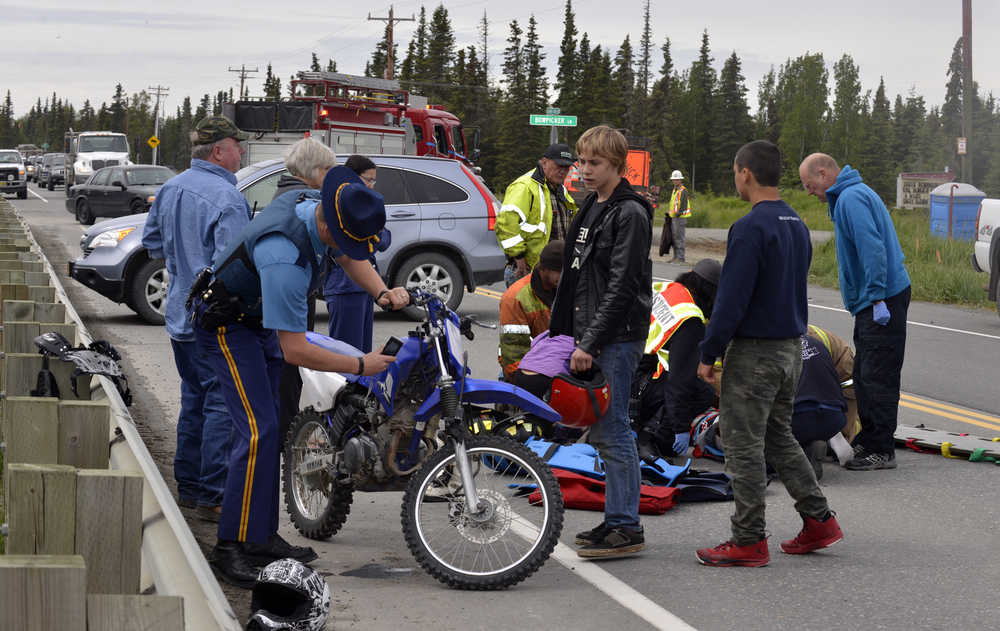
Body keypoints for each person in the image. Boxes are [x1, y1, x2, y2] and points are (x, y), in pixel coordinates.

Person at [187, 165, 410, 588]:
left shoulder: (314, 207)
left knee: (277, 424)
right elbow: (296, 350)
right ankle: (230, 548)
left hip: (257, 320)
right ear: (330, 222)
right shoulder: (283, 256)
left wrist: (380, 291)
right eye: (346, 238)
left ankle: (261, 536)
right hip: (227, 325)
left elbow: (349, 254)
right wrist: (362, 365)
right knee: (257, 430)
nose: (350, 248)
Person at [695, 140, 842, 568]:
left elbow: (732, 299)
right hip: (790, 349)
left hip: (755, 354)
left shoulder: (749, 227)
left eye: (734, 172)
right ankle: (819, 520)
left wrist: (710, 352)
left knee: (743, 445)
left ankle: (748, 539)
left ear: (745, 172)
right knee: (779, 436)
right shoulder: (795, 223)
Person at [548, 125, 653, 559]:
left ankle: (626, 526)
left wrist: (589, 343)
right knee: (602, 430)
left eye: (595, 163)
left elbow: (621, 286)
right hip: (591, 333)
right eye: (582, 161)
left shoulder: (630, 212)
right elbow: (579, 275)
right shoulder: (592, 204)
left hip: (616, 336)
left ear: (617, 165)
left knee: (613, 430)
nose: (585, 170)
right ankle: (615, 519)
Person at [141, 115, 251, 523]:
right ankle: (212, 494)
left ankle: (188, 488)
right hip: (214, 319)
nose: (242, 152)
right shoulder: (227, 198)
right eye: (238, 146)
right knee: (221, 403)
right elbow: (235, 266)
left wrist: (181, 261)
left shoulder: (171, 187)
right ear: (220, 150)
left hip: (179, 317)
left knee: (194, 399)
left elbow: (151, 242)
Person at [799, 153, 910, 471]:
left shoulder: (851, 198)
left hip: (882, 298)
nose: (809, 192)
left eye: (809, 185)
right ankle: (869, 438)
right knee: (864, 372)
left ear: (823, 173)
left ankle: (880, 449)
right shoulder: (849, 195)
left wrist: (876, 298)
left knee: (878, 376)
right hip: (874, 298)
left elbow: (871, 247)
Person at [272, 139, 338, 446]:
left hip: (283, 296)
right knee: (288, 370)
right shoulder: (307, 202)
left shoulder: (282, 193)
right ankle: (288, 440)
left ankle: (285, 434)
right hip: (290, 298)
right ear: (318, 171)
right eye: (331, 171)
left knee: (284, 372)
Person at [635, 259, 721, 463]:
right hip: (643, 383)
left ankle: (642, 426)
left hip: (626, 371)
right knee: (703, 391)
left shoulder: (668, 288)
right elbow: (679, 382)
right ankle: (655, 436)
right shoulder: (690, 320)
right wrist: (680, 427)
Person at [323, 154, 390, 350]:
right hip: (344, 287)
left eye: (374, 181)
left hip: (365, 287)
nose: (371, 185)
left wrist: (370, 236)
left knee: (362, 352)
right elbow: (378, 238)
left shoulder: (365, 208)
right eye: (368, 180)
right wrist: (371, 237)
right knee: (347, 353)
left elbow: (385, 239)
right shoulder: (338, 205)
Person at [496, 143, 578, 287]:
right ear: (544, 162)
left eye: (567, 167)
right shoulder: (525, 186)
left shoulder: (560, 190)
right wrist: (519, 257)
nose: (563, 171)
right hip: (526, 270)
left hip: (554, 271)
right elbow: (505, 223)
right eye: (559, 165)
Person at [498, 239, 564, 379]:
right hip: (528, 369)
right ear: (543, 269)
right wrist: (523, 384)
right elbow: (513, 354)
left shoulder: (564, 288)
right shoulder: (515, 299)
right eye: (559, 271)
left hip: (556, 365)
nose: (565, 277)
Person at [666, 170, 691, 263]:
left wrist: (676, 214)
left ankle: (680, 257)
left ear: (681, 180)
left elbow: (683, 206)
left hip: (680, 218)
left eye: (677, 179)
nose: (675, 181)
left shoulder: (683, 191)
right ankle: (676, 256)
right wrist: (670, 213)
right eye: (674, 179)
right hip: (674, 217)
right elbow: (674, 204)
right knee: (675, 237)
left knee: (679, 238)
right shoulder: (674, 190)